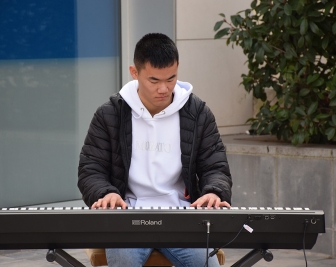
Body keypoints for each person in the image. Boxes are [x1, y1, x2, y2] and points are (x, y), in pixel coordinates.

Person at [78, 33, 232, 267]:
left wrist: (214, 192)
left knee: (207, 265)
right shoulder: (109, 114)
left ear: (178, 68)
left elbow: (215, 165)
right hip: (127, 218)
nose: (164, 88)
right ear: (134, 72)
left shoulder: (198, 113)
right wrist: (105, 194)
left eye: (171, 79)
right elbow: (91, 169)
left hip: (181, 218)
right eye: (154, 80)